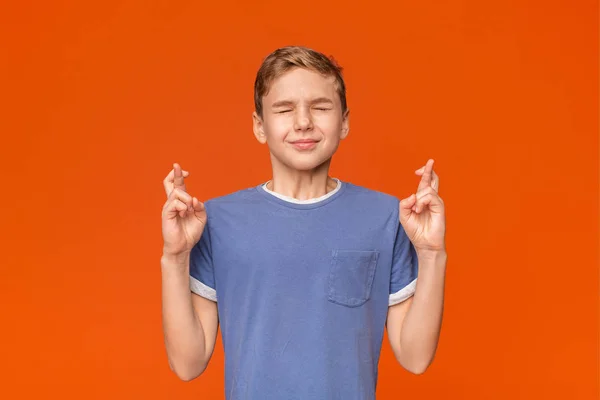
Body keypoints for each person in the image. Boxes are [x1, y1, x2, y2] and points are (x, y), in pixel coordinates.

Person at [160, 46, 447, 400]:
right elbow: (188, 364)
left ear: (344, 121)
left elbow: (416, 357)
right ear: (259, 126)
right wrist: (174, 257)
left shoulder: (387, 217)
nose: (303, 122)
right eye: (284, 109)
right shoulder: (216, 221)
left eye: (321, 107)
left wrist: (432, 252)